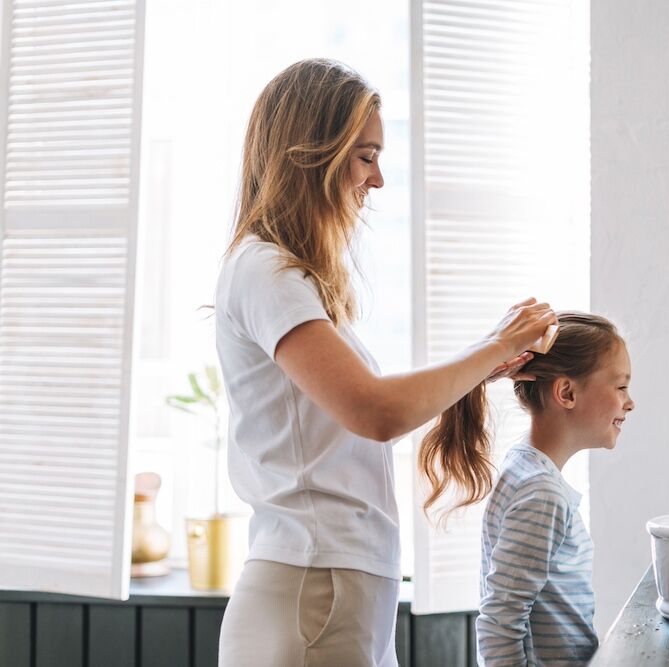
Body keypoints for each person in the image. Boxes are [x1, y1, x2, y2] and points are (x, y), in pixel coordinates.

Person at [214, 58, 556, 667]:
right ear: (311, 155)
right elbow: (373, 409)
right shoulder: (267, 271)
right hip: (311, 591)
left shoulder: (293, 280)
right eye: (365, 156)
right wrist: (497, 346)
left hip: (328, 591)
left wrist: (486, 361)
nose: (378, 181)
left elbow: (374, 402)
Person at [418, 312, 635, 666]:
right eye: (621, 386)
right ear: (566, 392)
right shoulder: (541, 492)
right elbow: (500, 622)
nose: (630, 402)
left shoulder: (525, 467)